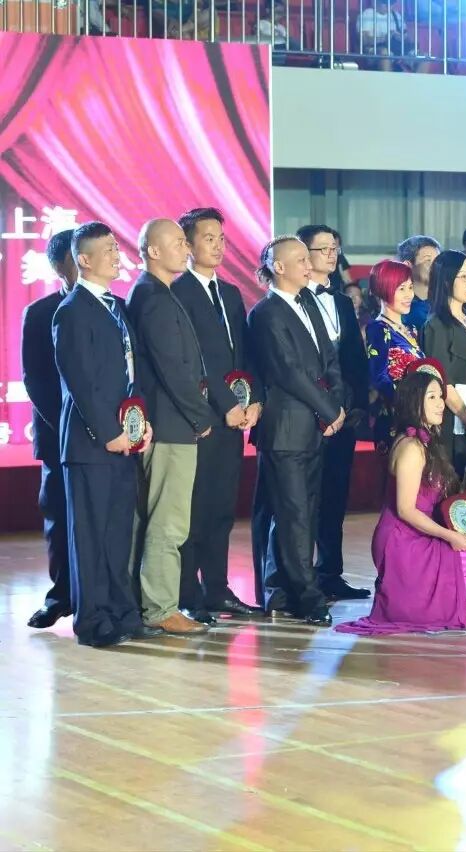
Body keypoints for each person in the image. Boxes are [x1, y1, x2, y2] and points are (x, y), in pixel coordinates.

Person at [336, 371, 466, 634]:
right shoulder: (411, 447)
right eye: (432, 397)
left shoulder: (426, 443)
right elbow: (405, 510)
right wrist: (449, 535)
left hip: (421, 529)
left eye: (441, 396)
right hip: (403, 538)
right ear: (414, 401)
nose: (441, 404)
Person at [53, 222, 154, 647]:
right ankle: (93, 621)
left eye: (116, 248)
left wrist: (140, 422)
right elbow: (80, 381)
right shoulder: (72, 310)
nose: (117, 255)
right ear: (84, 259)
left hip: (123, 439)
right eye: (108, 250)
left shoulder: (117, 307)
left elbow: (131, 373)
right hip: (90, 444)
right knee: (91, 536)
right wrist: (109, 431)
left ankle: (121, 611)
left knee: (117, 533)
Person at [247, 236, 346, 625]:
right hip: (286, 428)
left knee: (304, 511)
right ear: (278, 267)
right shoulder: (266, 313)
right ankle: (307, 596)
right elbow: (287, 372)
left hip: (315, 428)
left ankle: (281, 589)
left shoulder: (309, 303)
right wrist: (328, 409)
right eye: (301, 259)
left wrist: (337, 403)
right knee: (293, 515)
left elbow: (330, 359)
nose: (309, 265)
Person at [171, 207, 263, 622]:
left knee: (223, 507)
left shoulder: (230, 293)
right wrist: (226, 406)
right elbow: (195, 362)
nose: (218, 246)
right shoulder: (178, 293)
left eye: (222, 238)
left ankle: (218, 589)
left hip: (235, 419)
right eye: (209, 238)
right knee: (195, 508)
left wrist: (254, 400)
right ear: (187, 245)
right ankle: (188, 594)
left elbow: (245, 355)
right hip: (201, 419)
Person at [124, 219, 212, 635]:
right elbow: (172, 369)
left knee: (156, 518)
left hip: (168, 422)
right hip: (172, 424)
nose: (186, 249)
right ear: (153, 251)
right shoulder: (153, 297)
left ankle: (147, 603)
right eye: (178, 242)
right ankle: (161, 608)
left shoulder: (155, 292)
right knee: (169, 522)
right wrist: (201, 416)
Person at [300, 224, 370, 601]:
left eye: (334, 249)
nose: (331, 255)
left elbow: (355, 359)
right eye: (323, 248)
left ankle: (331, 573)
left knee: (335, 497)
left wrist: (354, 407)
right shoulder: (293, 300)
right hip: (306, 417)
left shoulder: (342, 301)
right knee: (303, 501)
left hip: (343, 417)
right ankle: (300, 578)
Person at [22, 229, 76, 629]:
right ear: (59, 266)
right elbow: (35, 379)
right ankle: (61, 597)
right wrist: (70, 424)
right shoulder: (40, 312)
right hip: (59, 436)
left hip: (108, 435)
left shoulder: (117, 307)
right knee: (59, 519)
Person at [419, 249, 466, 465]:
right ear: (446, 280)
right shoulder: (436, 325)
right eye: (463, 277)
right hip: (456, 421)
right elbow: (442, 381)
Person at [365, 259, 425, 449]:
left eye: (410, 287)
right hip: (395, 418)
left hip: (418, 415)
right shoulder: (378, 328)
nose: (409, 295)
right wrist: (407, 407)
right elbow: (379, 377)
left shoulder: (411, 329)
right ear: (384, 289)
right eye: (401, 289)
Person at [396, 234, 441, 334]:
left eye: (438, 260)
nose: (436, 266)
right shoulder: (398, 307)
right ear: (408, 265)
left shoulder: (447, 301)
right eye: (428, 260)